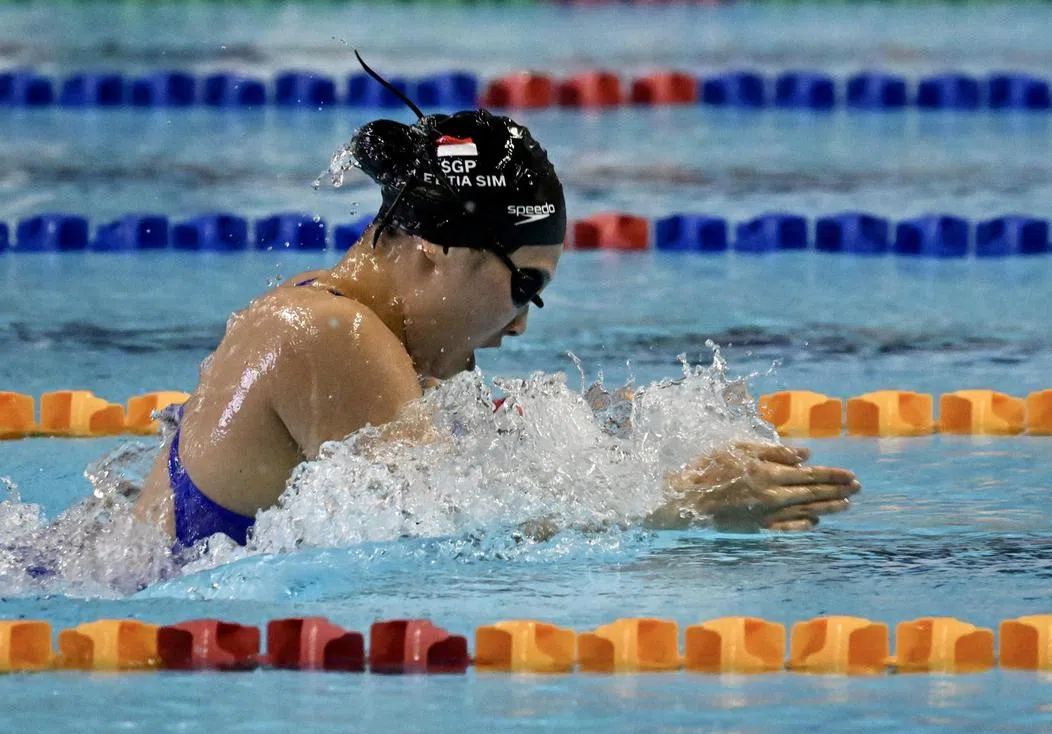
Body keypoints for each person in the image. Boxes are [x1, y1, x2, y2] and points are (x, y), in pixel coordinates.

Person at [133, 56, 859, 549]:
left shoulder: (341, 319)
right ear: (437, 249)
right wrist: (678, 503)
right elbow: (450, 533)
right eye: (524, 286)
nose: (517, 323)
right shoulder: (330, 333)